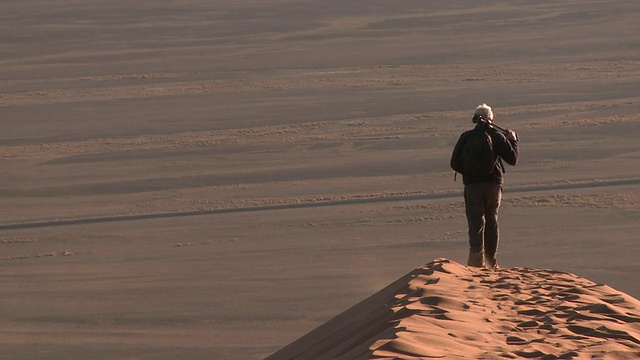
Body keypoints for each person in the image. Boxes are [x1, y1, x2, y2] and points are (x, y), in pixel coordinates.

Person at [450, 104, 519, 269]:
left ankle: (475, 262)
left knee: (475, 223)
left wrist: (470, 173)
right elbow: (513, 159)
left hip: (472, 187)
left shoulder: (466, 137)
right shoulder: (497, 136)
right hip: (493, 186)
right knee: (491, 221)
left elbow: (454, 163)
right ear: (492, 119)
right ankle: (491, 262)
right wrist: (513, 140)